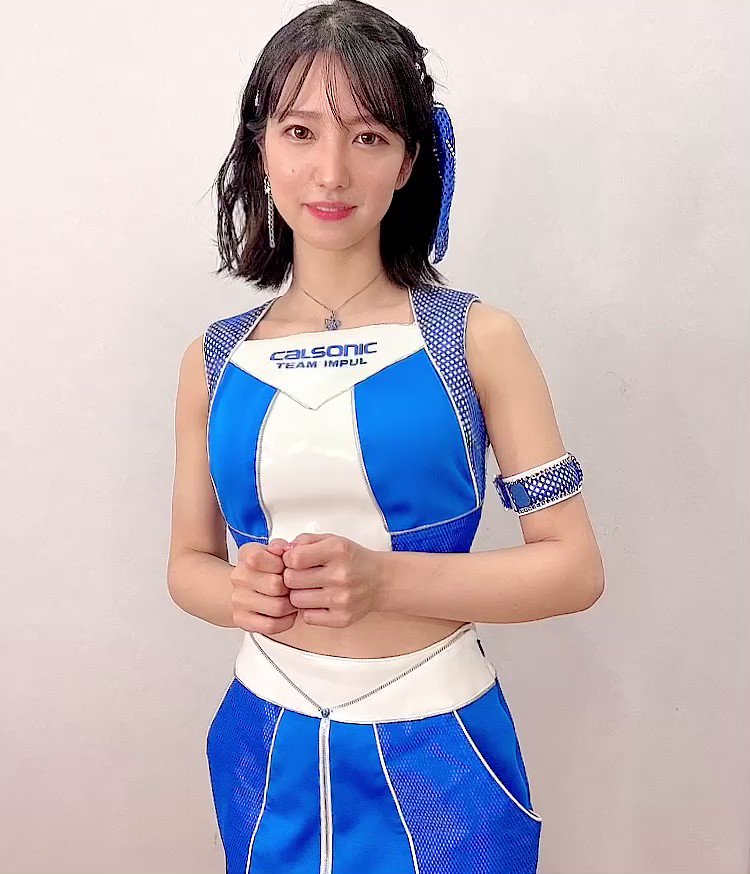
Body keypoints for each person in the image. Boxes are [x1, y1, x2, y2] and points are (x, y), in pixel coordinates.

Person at [167, 2, 605, 872]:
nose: (330, 171)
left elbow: (574, 567)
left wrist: (383, 581)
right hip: (263, 744)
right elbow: (188, 563)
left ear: (409, 160)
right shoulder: (214, 359)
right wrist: (239, 595)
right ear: (260, 148)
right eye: (300, 131)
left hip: (440, 750)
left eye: (368, 137)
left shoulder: (476, 338)